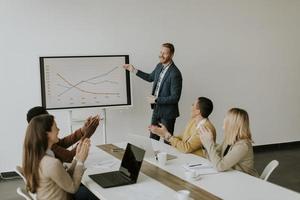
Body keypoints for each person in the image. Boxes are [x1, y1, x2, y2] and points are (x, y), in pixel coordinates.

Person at [22, 114, 98, 200]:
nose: (59, 129)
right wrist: (80, 161)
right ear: (47, 134)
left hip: (53, 194)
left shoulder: (38, 155)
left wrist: (77, 158)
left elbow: (64, 176)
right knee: (95, 193)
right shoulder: (51, 163)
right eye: (56, 127)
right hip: (64, 195)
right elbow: (73, 188)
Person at [123, 43, 182, 143]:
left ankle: (165, 159)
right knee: (152, 139)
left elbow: (175, 97)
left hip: (168, 114)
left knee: (167, 142)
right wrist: (133, 70)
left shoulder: (175, 73)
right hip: (156, 110)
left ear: (171, 55)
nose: (161, 55)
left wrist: (156, 99)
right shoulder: (159, 66)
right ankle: (153, 158)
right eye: (161, 52)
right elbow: (150, 78)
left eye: (165, 53)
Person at [198, 108, 259, 177]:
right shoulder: (229, 139)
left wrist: (209, 143)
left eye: (226, 118)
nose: (223, 120)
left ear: (232, 123)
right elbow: (215, 157)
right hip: (231, 175)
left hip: (245, 180)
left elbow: (220, 166)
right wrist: (205, 144)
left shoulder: (242, 146)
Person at [26, 106, 100, 163]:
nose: (58, 129)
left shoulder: (37, 138)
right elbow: (70, 157)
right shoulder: (43, 144)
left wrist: (83, 130)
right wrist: (88, 134)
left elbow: (62, 143)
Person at [149, 97, 216, 157]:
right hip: (185, 157)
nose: (191, 107)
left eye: (193, 105)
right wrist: (162, 134)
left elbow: (186, 148)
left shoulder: (206, 129)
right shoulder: (193, 121)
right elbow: (181, 139)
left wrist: (167, 135)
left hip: (198, 162)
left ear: (198, 111)